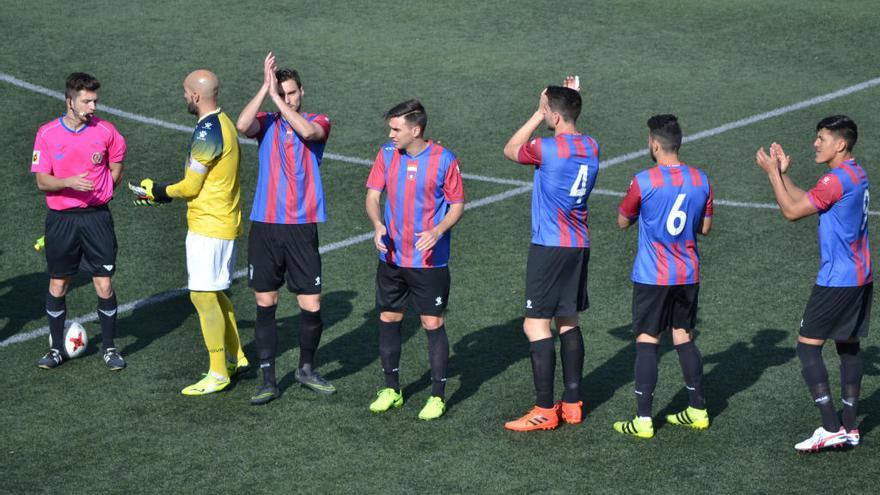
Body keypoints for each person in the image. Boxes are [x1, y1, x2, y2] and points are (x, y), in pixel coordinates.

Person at [755, 115, 870, 452]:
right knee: (848, 347)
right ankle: (850, 426)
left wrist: (773, 174)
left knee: (808, 347)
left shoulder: (835, 179)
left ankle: (830, 426)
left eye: (822, 138)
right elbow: (810, 200)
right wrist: (785, 175)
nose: (816, 144)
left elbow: (791, 212)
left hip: (836, 280)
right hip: (860, 277)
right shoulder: (855, 173)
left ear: (841, 144)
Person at [130, 69, 248, 395]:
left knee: (201, 295)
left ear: (196, 96)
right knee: (215, 292)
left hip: (209, 224)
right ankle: (237, 356)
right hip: (222, 220)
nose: (184, 96)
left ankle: (217, 372)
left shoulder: (208, 131)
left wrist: (158, 191)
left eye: (185, 92)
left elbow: (192, 185)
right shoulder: (222, 122)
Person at [236, 53, 335, 405]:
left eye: (291, 93)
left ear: (301, 92)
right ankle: (267, 378)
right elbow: (241, 125)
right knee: (266, 302)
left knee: (311, 303)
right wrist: (265, 90)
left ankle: (306, 369)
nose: (287, 98)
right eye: (283, 93)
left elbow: (308, 131)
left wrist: (278, 100)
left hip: (301, 226)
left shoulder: (317, 121)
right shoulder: (266, 123)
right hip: (265, 225)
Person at [501, 76, 597, 431]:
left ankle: (543, 410)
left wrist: (537, 113)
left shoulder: (546, 148)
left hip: (549, 246)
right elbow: (570, 126)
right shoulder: (592, 145)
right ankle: (572, 403)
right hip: (578, 244)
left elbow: (511, 149)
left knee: (535, 324)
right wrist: (566, 101)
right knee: (568, 320)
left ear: (552, 117)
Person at [613, 115, 713, 439]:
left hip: (653, 275)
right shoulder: (701, 179)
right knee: (683, 335)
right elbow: (705, 228)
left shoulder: (644, 180)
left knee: (647, 339)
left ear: (655, 144)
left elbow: (622, 222)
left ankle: (643, 420)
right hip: (688, 272)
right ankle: (698, 410)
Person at [364, 99, 465, 420]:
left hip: (428, 262)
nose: (391, 134)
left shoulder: (444, 160)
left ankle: (437, 395)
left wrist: (437, 231)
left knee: (431, 323)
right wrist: (378, 224)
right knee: (389, 319)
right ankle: (391, 389)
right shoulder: (386, 154)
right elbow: (372, 195)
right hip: (392, 257)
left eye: (396, 129)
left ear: (416, 130)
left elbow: (457, 204)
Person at [31, 72, 127, 371]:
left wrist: (103, 192)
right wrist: (70, 182)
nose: (93, 107)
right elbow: (42, 182)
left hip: (96, 218)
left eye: (95, 101)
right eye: (86, 101)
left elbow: (116, 166)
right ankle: (57, 349)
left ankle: (110, 349)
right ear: (69, 102)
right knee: (59, 283)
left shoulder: (107, 131)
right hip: (61, 219)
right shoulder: (47, 134)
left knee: (104, 283)